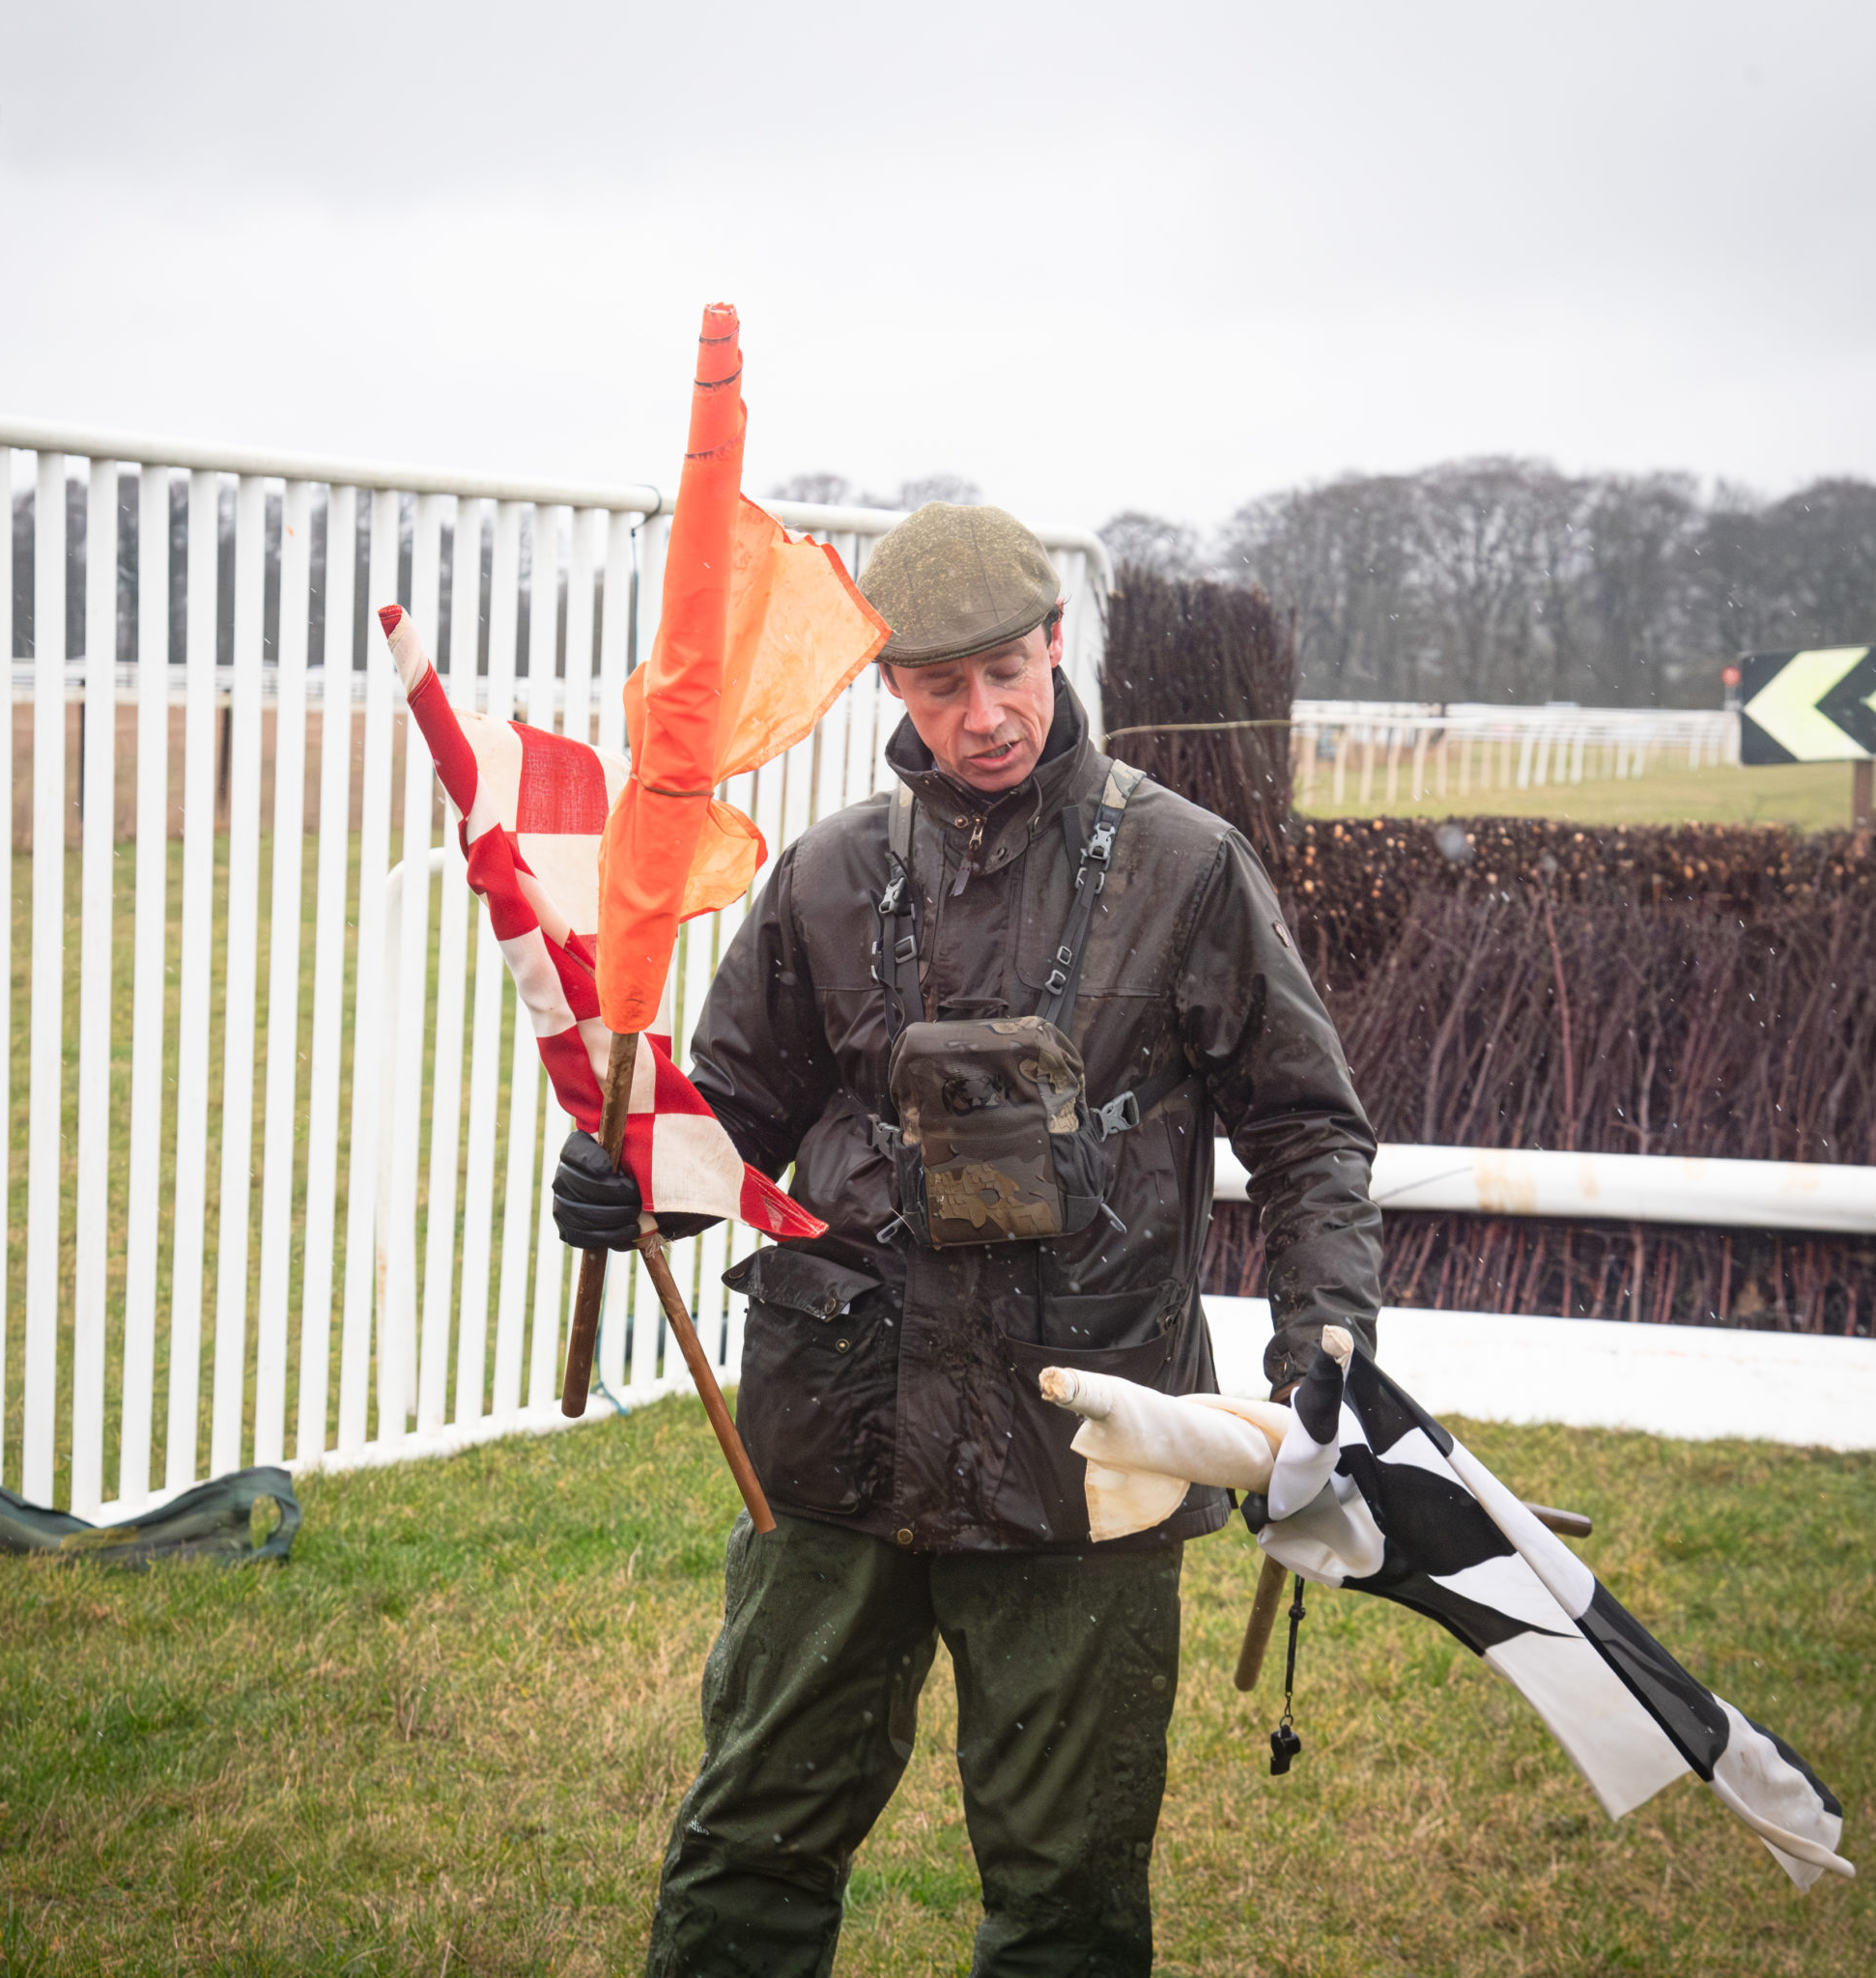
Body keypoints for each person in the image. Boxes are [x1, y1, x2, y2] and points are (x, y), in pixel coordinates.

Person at [553, 503, 1383, 1977]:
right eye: (941, 687)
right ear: (891, 685)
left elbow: (1307, 1131)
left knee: (1065, 1888)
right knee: (754, 1841)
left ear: (1057, 645)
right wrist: (637, 1180)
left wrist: (1324, 1342)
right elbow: (733, 1117)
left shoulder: (1187, 869)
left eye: (1007, 672)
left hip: (1087, 1450)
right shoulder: (823, 876)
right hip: (837, 1443)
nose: (983, 717)